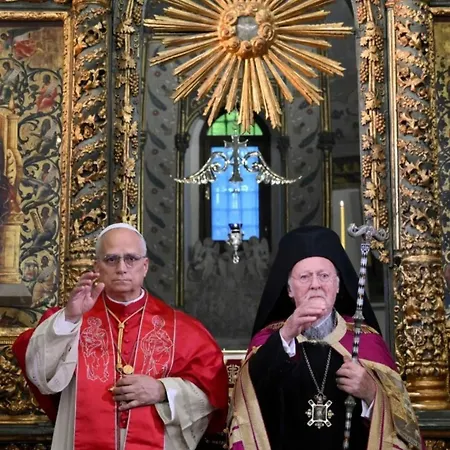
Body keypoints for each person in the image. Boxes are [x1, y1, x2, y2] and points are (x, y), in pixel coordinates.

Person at [13, 223, 229, 450]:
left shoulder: (183, 329)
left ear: (145, 266)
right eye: (111, 259)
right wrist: (70, 317)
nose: (122, 268)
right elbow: (39, 369)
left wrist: (163, 390)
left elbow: (211, 393)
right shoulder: (72, 319)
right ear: (97, 266)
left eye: (131, 259)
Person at [228, 225, 423, 450]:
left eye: (324, 276)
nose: (315, 285)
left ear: (337, 285)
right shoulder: (269, 342)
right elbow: (249, 406)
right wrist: (288, 332)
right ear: (289, 289)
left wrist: (372, 394)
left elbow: (402, 426)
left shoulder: (366, 341)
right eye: (304, 277)